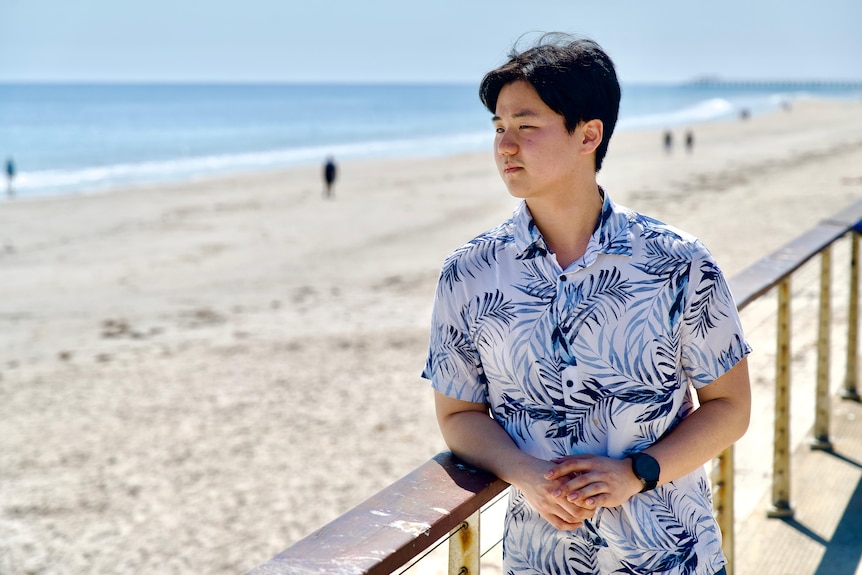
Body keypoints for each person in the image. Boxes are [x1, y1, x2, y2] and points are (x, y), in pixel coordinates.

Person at [422, 34, 750, 575]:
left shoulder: (678, 262)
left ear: (588, 134)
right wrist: (525, 473)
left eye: (527, 127)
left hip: (670, 556)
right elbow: (458, 414)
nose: (506, 146)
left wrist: (636, 472)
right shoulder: (470, 273)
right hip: (538, 560)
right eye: (499, 128)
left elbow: (730, 407)